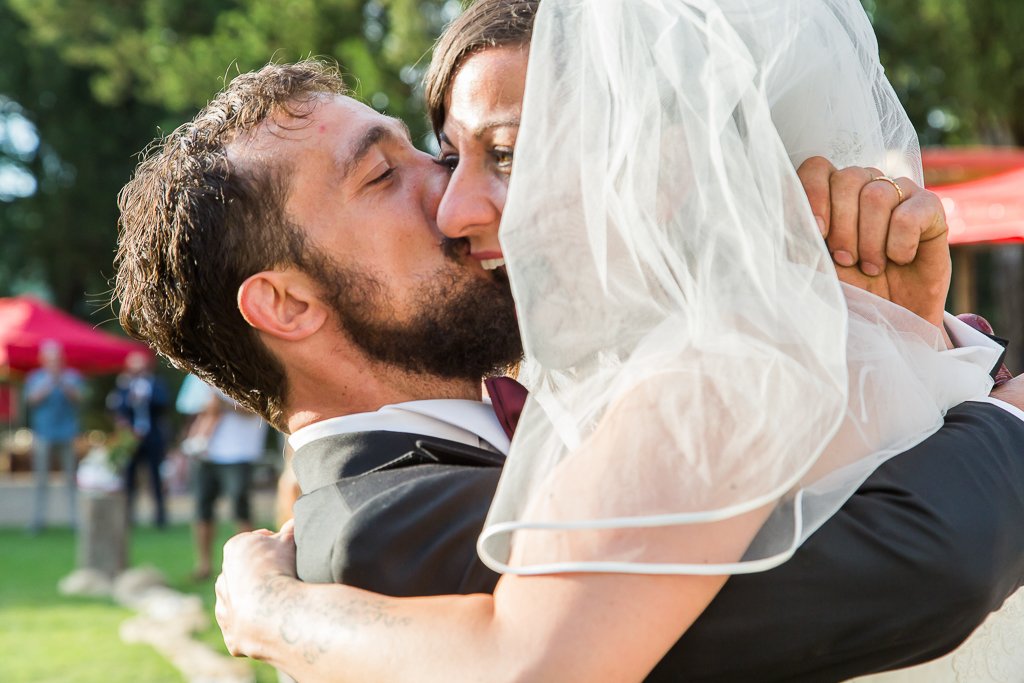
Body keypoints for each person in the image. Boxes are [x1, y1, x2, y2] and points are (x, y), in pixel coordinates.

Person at [111, 9, 1022, 683]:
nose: (453, 203)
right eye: (387, 175)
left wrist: (902, 336)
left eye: (462, 156)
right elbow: (915, 566)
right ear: (286, 302)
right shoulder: (377, 535)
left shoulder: (592, 389)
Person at [180, 379, 270, 580]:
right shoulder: (198, 374)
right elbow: (189, 409)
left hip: (239, 452)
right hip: (205, 452)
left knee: (240, 507)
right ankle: (203, 565)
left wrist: (224, 404)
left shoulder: (249, 371)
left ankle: (249, 562)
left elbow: (258, 409)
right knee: (202, 508)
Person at [24, 340, 83, 534]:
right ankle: (37, 522)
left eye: (56, 359)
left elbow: (79, 399)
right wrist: (49, 383)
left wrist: (62, 383)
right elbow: (31, 400)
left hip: (67, 432)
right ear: (43, 360)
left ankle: (75, 521)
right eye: (50, 359)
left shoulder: (72, 377)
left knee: (70, 479)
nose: (54, 362)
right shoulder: (35, 378)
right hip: (43, 433)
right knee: (41, 479)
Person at [107, 351, 170, 528]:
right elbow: (117, 408)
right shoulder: (124, 385)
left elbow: (164, 403)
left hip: (152, 436)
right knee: (129, 477)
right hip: (132, 437)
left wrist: (147, 397)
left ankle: (160, 517)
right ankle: (128, 516)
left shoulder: (156, 383)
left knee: (155, 477)